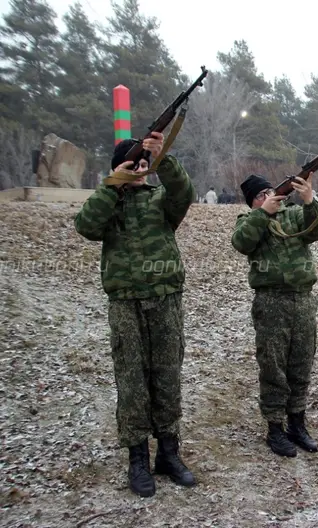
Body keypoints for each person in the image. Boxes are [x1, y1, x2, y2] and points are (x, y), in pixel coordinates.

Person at [74, 132, 197, 498]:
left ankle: (169, 454)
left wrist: (163, 159)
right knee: (131, 382)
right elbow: (86, 226)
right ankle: (137, 459)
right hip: (126, 303)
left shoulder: (161, 200)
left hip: (165, 300)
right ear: (118, 169)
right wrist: (113, 186)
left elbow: (184, 193)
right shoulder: (109, 203)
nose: (141, 170)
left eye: (145, 165)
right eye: (134, 165)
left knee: (167, 377)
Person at [231, 173, 318, 457]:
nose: (269, 197)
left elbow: (316, 232)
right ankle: (275, 427)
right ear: (252, 202)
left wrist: (309, 200)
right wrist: (263, 214)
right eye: (260, 195)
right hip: (271, 301)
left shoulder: (296, 214)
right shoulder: (248, 221)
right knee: (273, 366)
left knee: (301, 363)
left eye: (270, 192)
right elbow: (241, 243)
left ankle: (297, 423)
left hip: (303, 299)